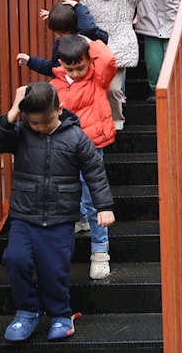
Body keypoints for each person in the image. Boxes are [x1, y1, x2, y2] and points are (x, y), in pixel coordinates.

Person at [0, 83, 115, 341]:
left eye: (46, 121)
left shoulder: (76, 137)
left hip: (60, 218)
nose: (41, 127)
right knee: (16, 259)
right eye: (34, 123)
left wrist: (104, 206)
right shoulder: (21, 132)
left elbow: (94, 173)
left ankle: (60, 314)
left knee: (54, 269)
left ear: (60, 109)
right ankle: (28, 310)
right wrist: (12, 112)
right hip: (25, 215)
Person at [50, 35, 116, 280]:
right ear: (61, 63)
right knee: (69, 190)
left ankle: (100, 251)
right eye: (70, 68)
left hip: (92, 145)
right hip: (66, 148)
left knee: (92, 197)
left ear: (89, 60)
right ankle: (80, 220)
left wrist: (90, 42)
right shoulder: (54, 85)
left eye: (81, 66)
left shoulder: (97, 78)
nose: (77, 73)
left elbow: (108, 59)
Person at [79, 0, 147, 130]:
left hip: (120, 47)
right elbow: (80, 15)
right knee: (97, 88)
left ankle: (117, 119)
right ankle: (100, 118)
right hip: (98, 48)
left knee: (114, 89)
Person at [128, 0, 182, 101]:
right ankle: (155, 90)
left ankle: (172, 89)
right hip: (149, 26)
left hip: (172, 25)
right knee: (153, 62)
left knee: (171, 59)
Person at [17, 1, 107, 78]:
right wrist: (30, 61)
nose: (58, 36)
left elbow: (88, 29)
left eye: (62, 32)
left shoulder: (85, 39)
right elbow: (53, 68)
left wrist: (78, 7)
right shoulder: (60, 44)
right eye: (55, 32)